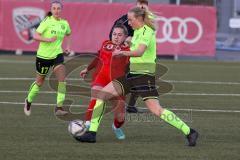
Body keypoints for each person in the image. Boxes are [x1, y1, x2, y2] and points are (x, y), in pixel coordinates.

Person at [75, 7, 199, 146]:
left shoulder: (147, 31)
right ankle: (92, 133)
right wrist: (127, 43)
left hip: (143, 76)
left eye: (130, 19)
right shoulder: (138, 32)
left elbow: (139, 52)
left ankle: (189, 131)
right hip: (132, 75)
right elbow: (133, 45)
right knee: (102, 95)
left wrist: (122, 53)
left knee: (156, 110)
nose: (128, 22)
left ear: (139, 19)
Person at [80, 24, 130, 140]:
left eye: (119, 35)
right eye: (114, 34)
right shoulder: (106, 44)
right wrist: (88, 68)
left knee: (120, 116)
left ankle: (116, 127)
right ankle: (87, 126)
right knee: (96, 96)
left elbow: (131, 66)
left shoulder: (128, 50)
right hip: (102, 77)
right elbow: (98, 57)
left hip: (117, 83)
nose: (116, 37)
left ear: (125, 37)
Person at [24, 0, 71, 116]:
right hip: (43, 56)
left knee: (62, 80)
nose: (56, 10)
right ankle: (28, 101)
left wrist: (68, 47)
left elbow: (68, 34)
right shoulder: (46, 21)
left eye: (58, 8)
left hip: (57, 55)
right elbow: (35, 36)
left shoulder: (64, 23)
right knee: (39, 82)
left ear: (61, 10)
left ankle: (59, 107)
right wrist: (48, 40)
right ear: (51, 10)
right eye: (54, 8)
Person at [109, 0, 154, 113]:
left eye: (145, 5)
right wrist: (125, 40)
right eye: (141, 5)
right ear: (136, 5)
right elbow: (113, 34)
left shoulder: (147, 20)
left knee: (136, 82)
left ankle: (130, 105)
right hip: (126, 54)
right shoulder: (125, 20)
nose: (143, 7)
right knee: (126, 81)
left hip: (138, 56)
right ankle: (113, 100)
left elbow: (147, 34)